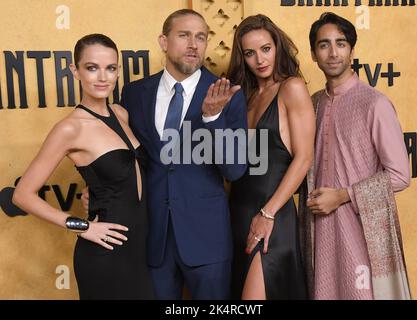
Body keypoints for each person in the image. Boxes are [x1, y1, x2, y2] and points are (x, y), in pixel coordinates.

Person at [12, 34, 155, 299]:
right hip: (104, 256)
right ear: (75, 71)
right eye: (92, 68)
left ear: (117, 71)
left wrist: (94, 187)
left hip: (138, 251)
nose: (102, 77)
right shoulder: (70, 128)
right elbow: (21, 195)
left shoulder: (121, 114)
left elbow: (119, 176)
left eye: (110, 68)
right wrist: (84, 227)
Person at [118, 9, 247, 299]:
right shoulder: (135, 93)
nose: (194, 44)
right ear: (163, 41)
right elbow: (128, 158)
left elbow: (235, 169)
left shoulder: (228, 95)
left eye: (201, 37)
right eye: (184, 35)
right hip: (154, 237)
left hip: (207, 239)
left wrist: (213, 120)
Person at [304, 12, 411, 299]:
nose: (333, 52)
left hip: (361, 228)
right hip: (320, 230)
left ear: (352, 50)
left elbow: (400, 175)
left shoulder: (374, 104)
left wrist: (342, 195)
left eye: (341, 43)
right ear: (313, 54)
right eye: (324, 45)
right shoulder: (312, 104)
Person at [226, 14, 315, 299]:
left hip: (272, 215)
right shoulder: (245, 96)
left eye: (266, 49)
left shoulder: (292, 88)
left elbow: (303, 158)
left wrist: (267, 214)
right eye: (250, 53)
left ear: (277, 46)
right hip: (237, 213)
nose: (260, 60)